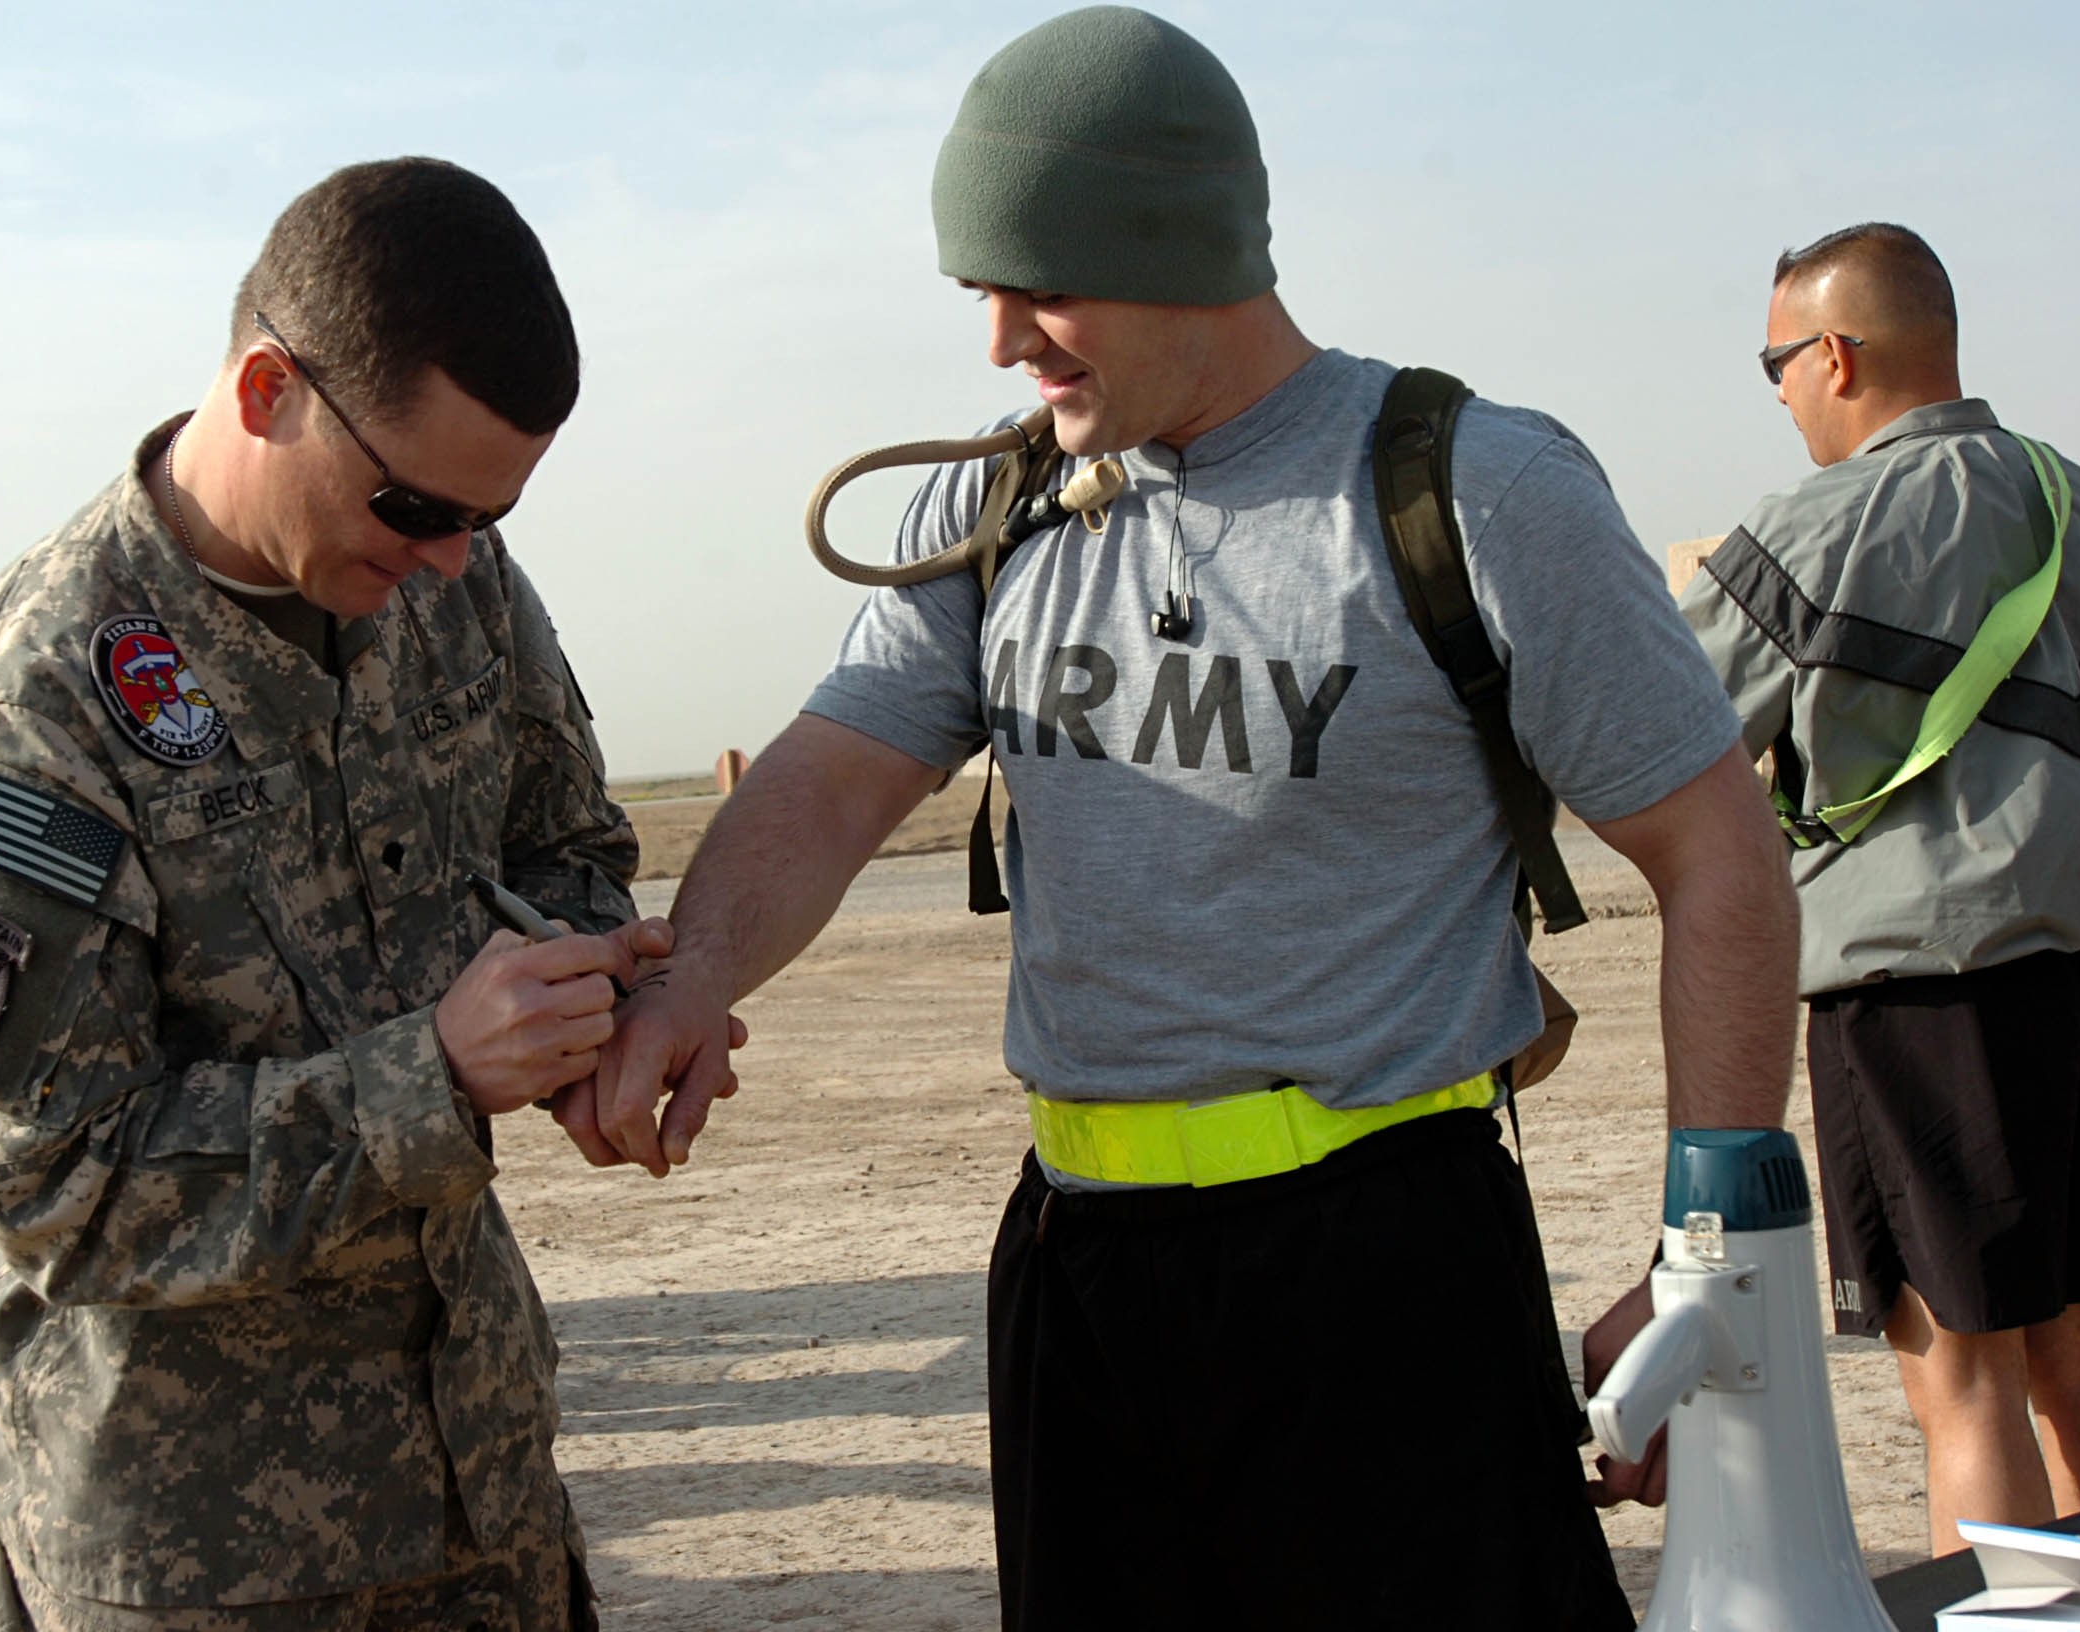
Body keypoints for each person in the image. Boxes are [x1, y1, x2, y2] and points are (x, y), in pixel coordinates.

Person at [567, 10, 1799, 1628]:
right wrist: (686, 979)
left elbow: (1716, 858)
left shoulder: (1465, 489)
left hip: (1382, 1269)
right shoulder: (994, 505)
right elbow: (830, 772)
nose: (1003, 337)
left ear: (1182, 241)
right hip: (1075, 1269)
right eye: (979, 291)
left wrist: (1699, 1249)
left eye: (1039, 281)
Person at [0, 157, 689, 1631]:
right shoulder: (30, 712)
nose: (448, 557)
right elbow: (54, 1188)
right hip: (200, 1563)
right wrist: (429, 1076)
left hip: (479, 1491)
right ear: (263, 392)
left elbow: (565, 848)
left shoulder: (446, 578)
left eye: (484, 519)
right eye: (418, 503)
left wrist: (585, 1012)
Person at [1680, 223, 2080, 1556]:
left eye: (1775, 362)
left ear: (1835, 355)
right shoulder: (2070, 496)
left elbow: (1667, 738)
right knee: (2076, 1361)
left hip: (1915, 1003)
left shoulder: (1805, 529)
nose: (1781, 389)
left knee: (1961, 1378)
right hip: (2074, 981)